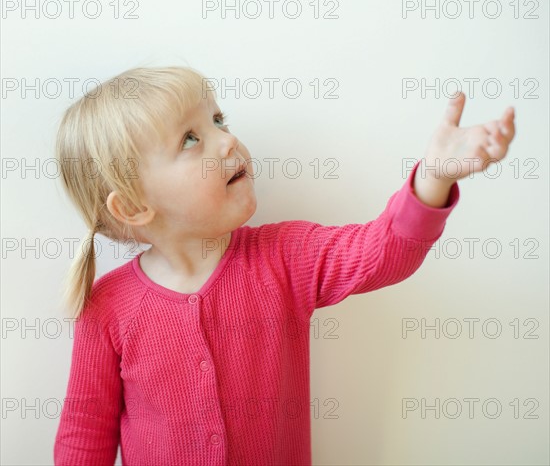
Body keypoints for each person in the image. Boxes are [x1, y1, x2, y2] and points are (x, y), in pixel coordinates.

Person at [53, 65, 515, 465]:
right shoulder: (107, 306)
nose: (228, 138)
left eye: (218, 119)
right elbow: (85, 432)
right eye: (191, 138)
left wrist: (433, 176)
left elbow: (381, 254)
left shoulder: (283, 257)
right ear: (133, 207)